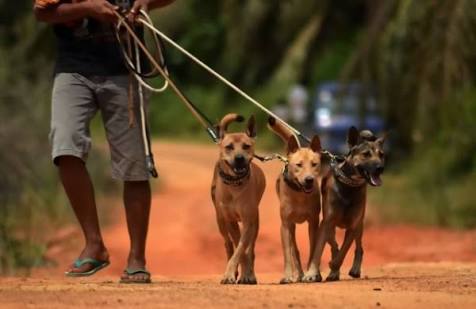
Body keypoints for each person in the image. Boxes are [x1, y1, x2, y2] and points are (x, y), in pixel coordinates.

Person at [34, 0, 175, 283]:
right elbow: (43, 12)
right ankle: (94, 244)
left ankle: (137, 258)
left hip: (127, 68)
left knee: (134, 162)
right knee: (65, 145)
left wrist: (145, 2)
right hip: (73, 69)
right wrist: (88, 8)